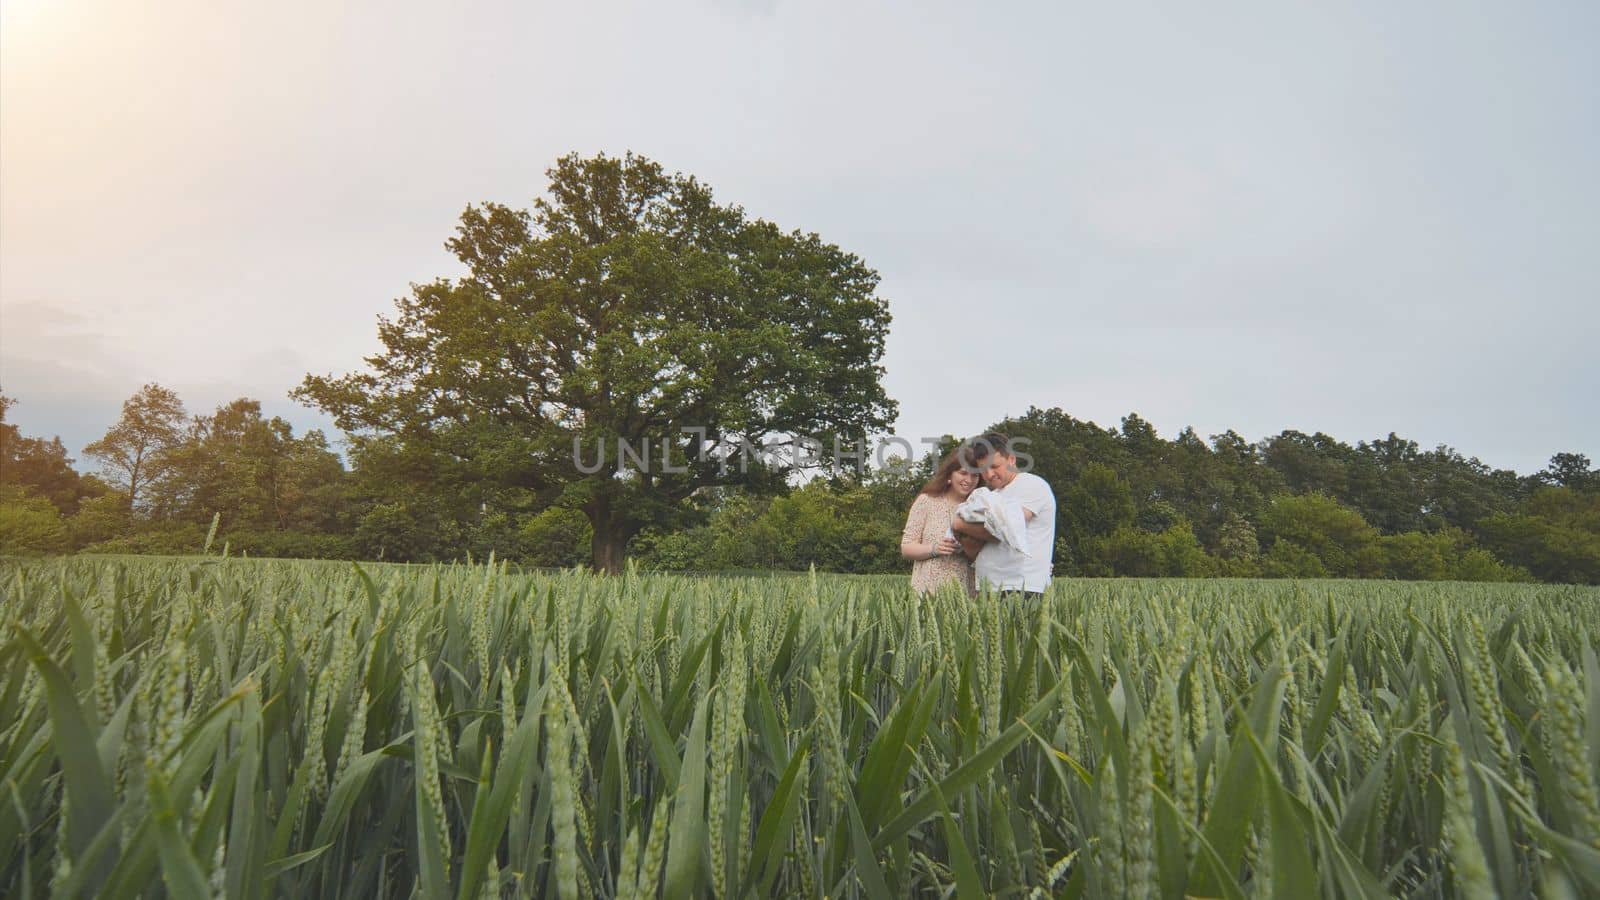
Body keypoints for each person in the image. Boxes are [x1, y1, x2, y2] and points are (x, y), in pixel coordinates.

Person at [949, 433, 1055, 597]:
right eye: (983, 469)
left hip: (1021, 587)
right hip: (989, 587)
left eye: (995, 466)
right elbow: (973, 547)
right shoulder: (992, 496)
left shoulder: (1032, 485)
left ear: (1011, 459)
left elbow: (1005, 528)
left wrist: (959, 525)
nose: (989, 474)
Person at [901, 448, 984, 595]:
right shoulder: (927, 501)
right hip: (927, 593)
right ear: (950, 474)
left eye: (975, 475)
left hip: (966, 594)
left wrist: (968, 548)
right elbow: (907, 547)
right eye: (963, 473)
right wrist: (935, 549)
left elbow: (985, 556)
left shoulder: (981, 509)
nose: (969, 480)